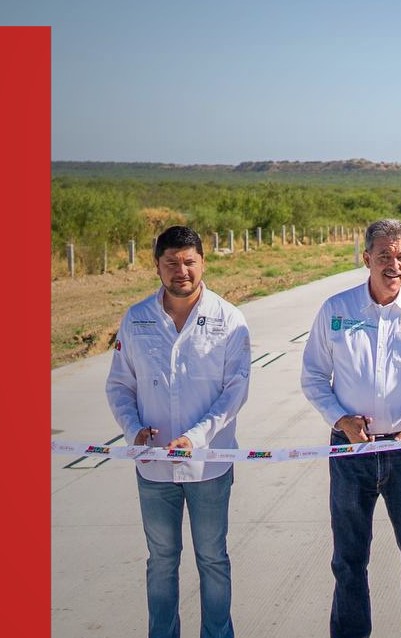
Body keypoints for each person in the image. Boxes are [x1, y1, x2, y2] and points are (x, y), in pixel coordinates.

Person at [301, 219, 401, 638]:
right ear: (367, 258)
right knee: (349, 559)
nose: (394, 264)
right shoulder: (336, 310)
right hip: (350, 453)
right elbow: (314, 377)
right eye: (385, 255)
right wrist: (341, 419)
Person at [106, 225, 251, 638]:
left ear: (203, 262)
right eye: (171, 263)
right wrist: (133, 431)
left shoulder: (228, 319)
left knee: (213, 559)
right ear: (157, 266)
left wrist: (197, 438)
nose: (181, 271)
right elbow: (120, 385)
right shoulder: (137, 319)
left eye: (189, 262)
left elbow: (234, 393)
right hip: (153, 469)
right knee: (162, 560)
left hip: (209, 466)